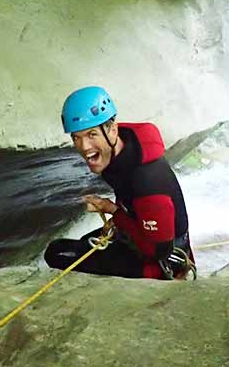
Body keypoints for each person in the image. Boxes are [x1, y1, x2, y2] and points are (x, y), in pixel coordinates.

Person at [44, 86, 196, 280]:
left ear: (113, 130)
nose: (83, 147)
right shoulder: (120, 151)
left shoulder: (147, 181)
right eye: (77, 137)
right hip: (147, 236)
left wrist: (114, 213)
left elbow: (157, 251)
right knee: (82, 243)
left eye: (92, 134)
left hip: (162, 262)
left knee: (57, 253)